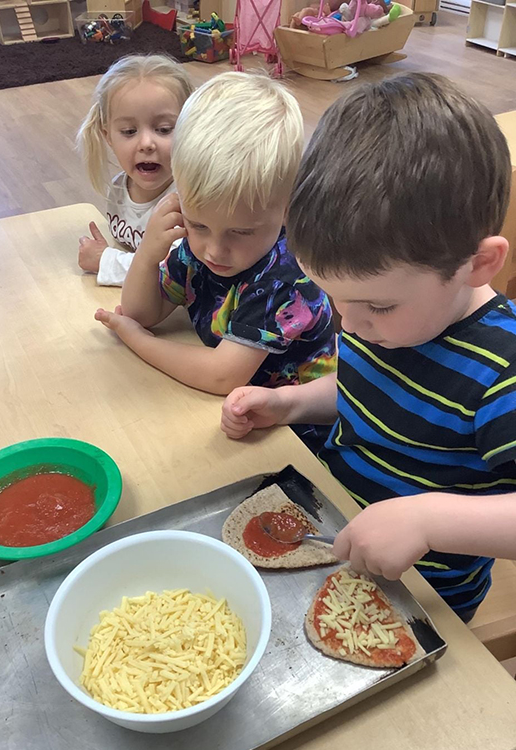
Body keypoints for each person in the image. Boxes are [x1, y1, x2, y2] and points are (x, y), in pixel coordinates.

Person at [221, 73, 515, 622]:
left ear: (476, 264)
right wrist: (292, 403)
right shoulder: (383, 312)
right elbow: (370, 387)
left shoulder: (503, 373)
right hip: (326, 534)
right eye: (335, 299)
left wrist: (428, 522)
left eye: (376, 307)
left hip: (421, 599)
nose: (350, 325)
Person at [95, 72, 336, 403]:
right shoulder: (199, 249)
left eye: (241, 232)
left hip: (297, 432)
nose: (214, 250)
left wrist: (136, 339)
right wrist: (149, 252)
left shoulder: (284, 278)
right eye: (197, 225)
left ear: (287, 209)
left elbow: (222, 375)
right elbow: (143, 313)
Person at [76, 55, 194, 286]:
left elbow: (172, 272)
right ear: (107, 135)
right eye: (129, 131)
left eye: (163, 129)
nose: (146, 143)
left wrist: (105, 260)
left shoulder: (186, 203)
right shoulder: (120, 187)